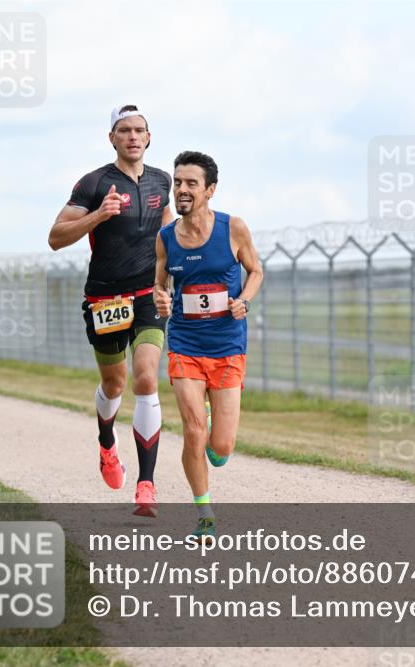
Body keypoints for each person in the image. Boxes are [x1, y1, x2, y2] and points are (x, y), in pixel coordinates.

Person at [48, 105, 172, 517]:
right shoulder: (94, 183)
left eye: (139, 130)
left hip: (147, 296)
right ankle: (106, 441)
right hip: (106, 299)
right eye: (124, 130)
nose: (133, 136)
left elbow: (171, 234)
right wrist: (99, 215)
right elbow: (55, 237)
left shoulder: (161, 181)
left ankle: (147, 485)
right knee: (115, 385)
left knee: (146, 379)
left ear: (149, 137)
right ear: (112, 138)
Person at [153, 150, 262, 541]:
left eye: (190, 184)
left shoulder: (233, 229)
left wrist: (244, 300)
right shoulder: (166, 238)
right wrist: (160, 299)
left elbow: (256, 270)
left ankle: (219, 436)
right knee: (193, 432)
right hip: (184, 344)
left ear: (209, 190)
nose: (181, 190)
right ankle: (204, 514)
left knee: (221, 446)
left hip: (228, 345)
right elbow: (160, 287)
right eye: (177, 182)